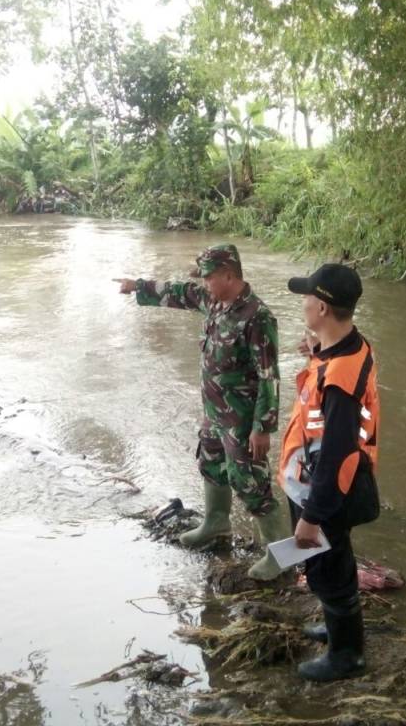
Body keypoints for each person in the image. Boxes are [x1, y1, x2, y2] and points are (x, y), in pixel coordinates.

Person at [114, 244, 290, 580]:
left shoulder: (257, 316)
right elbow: (181, 293)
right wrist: (138, 286)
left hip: (242, 417)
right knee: (210, 462)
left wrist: (263, 428)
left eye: (209, 276)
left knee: (250, 481)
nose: (204, 282)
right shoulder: (213, 300)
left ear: (229, 274)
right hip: (214, 410)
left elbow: (270, 376)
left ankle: (280, 555)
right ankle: (216, 523)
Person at [277, 263, 381, 681]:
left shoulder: (339, 378)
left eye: (306, 298)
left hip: (329, 490)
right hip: (326, 483)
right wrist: (316, 353)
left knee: (327, 571)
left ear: (321, 306)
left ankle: (347, 657)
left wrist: (313, 516)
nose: (303, 304)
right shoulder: (350, 347)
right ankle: (338, 630)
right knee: (334, 564)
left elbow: (337, 453)